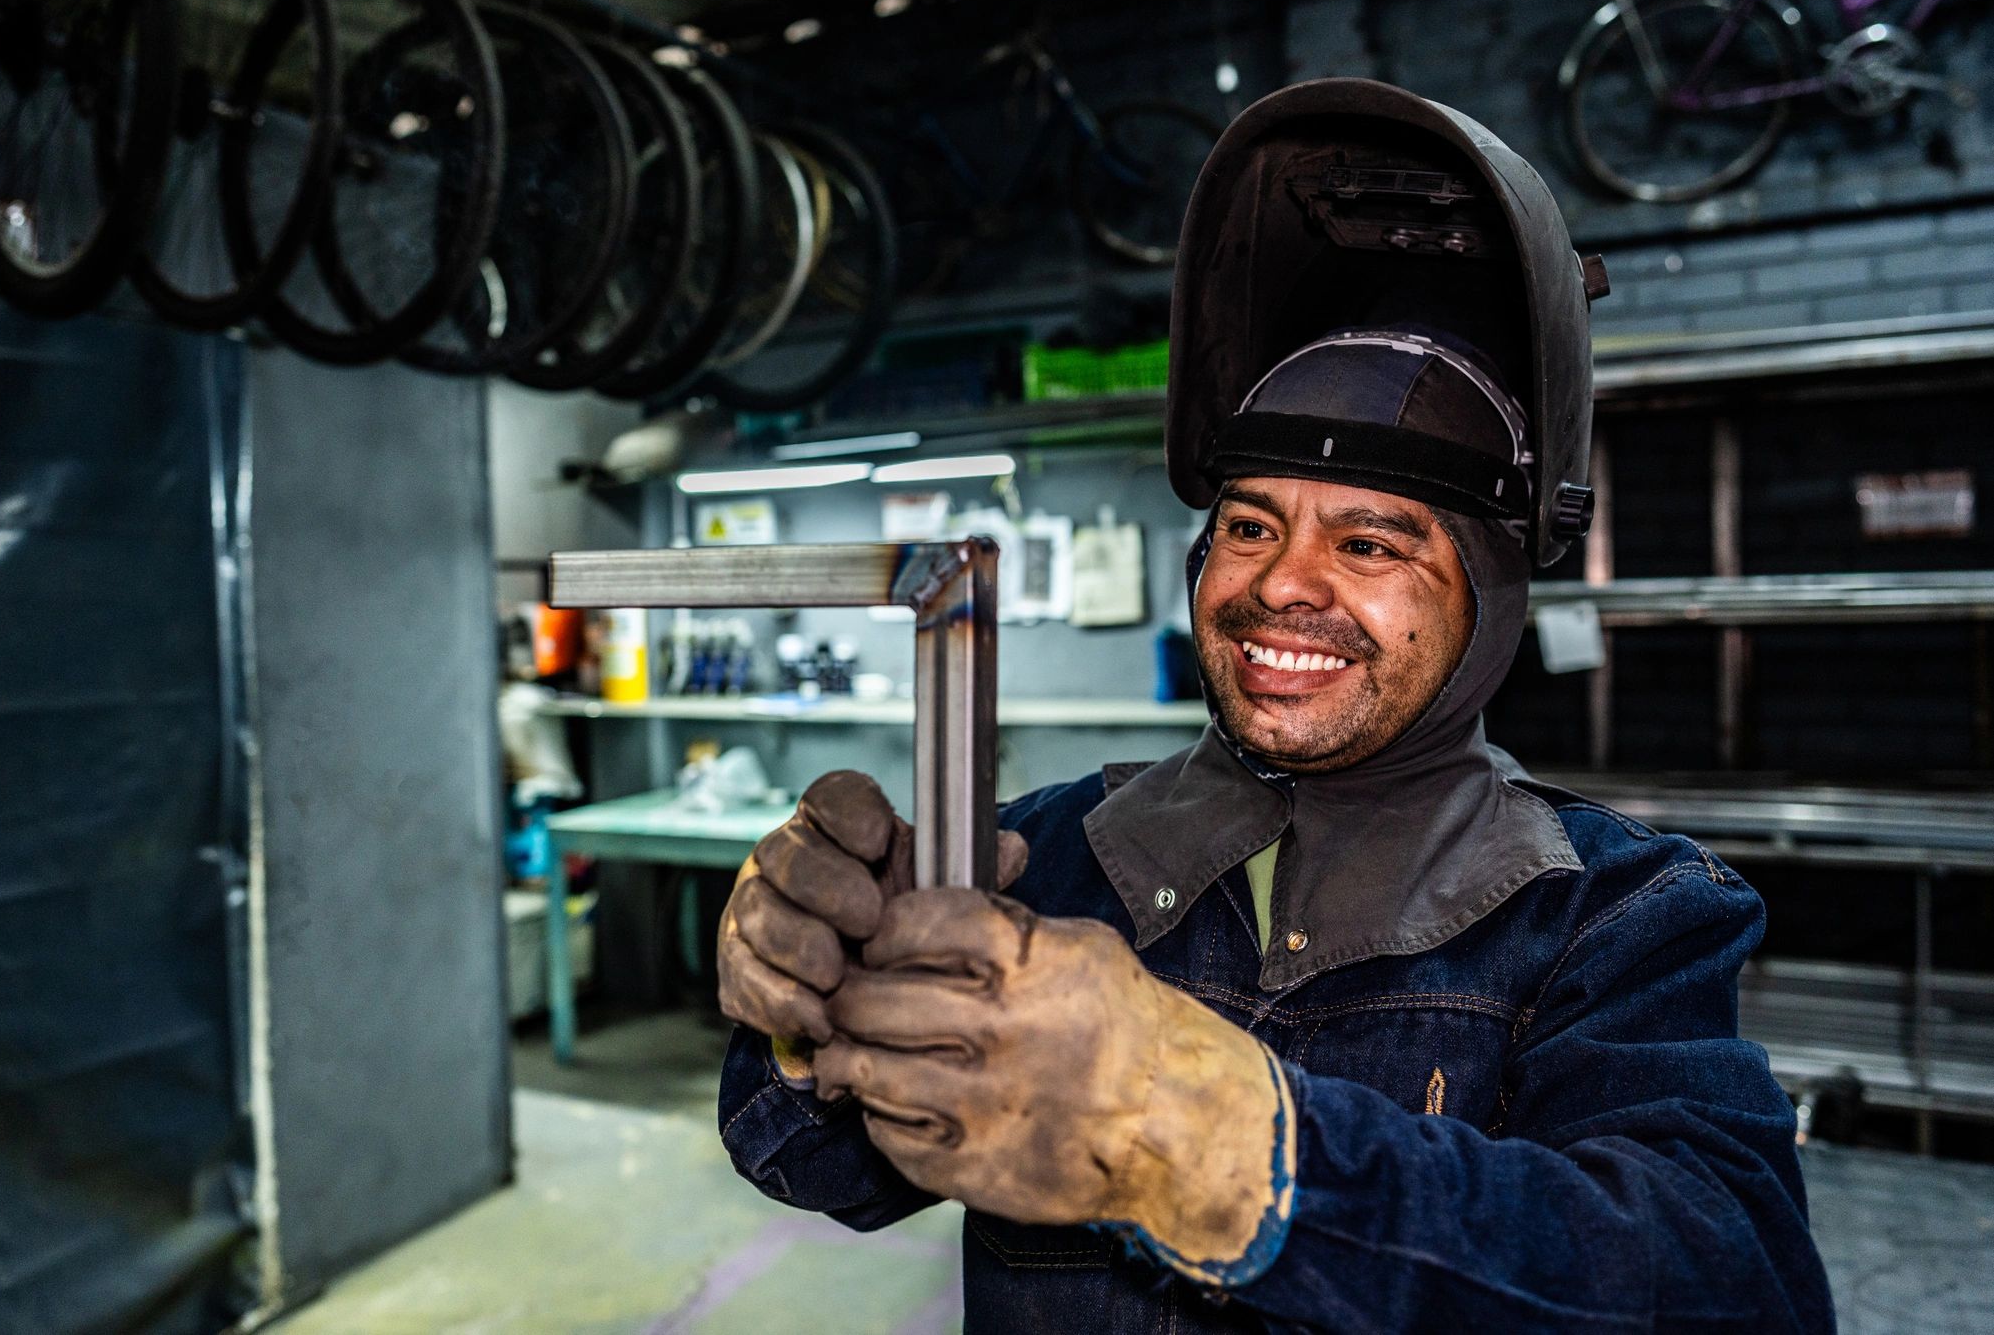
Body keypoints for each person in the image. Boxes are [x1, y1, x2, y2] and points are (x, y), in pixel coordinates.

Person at [712, 79, 1834, 1333]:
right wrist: (807, 1014)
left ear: (1488, 604)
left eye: (1370, 542)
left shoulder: (1614, 918)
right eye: (1249, 523)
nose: (1282, 583)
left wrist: (1204, 1138)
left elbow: (1736, 1289)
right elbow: (804, 1164)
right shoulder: (1044, 858)